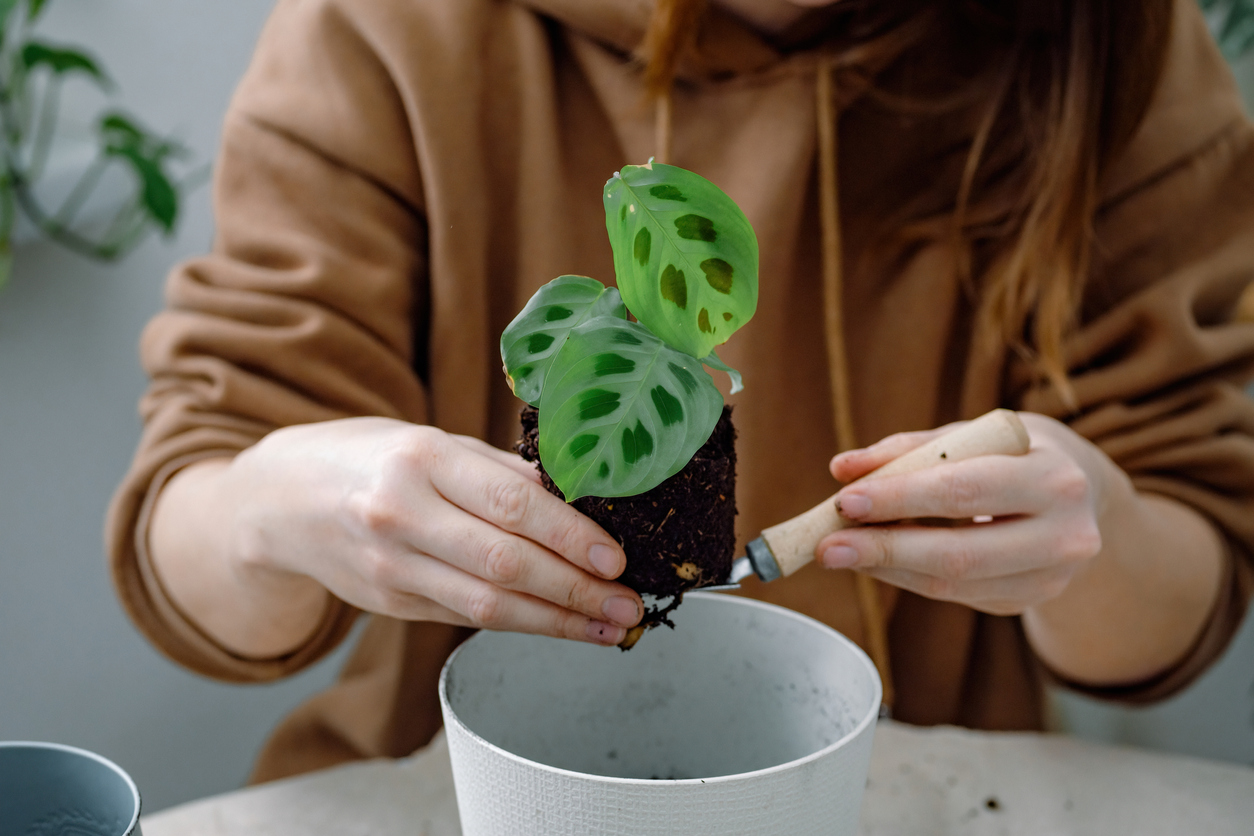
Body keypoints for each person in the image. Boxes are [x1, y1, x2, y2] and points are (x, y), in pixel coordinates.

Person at [108, 0, 1254, 783]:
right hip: (463, 788)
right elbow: (196, 538)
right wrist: (272, 506)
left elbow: (1185, 575)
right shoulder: (394, 30)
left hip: (912, 789)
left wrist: (1090, 520)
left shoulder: (1108, 39)